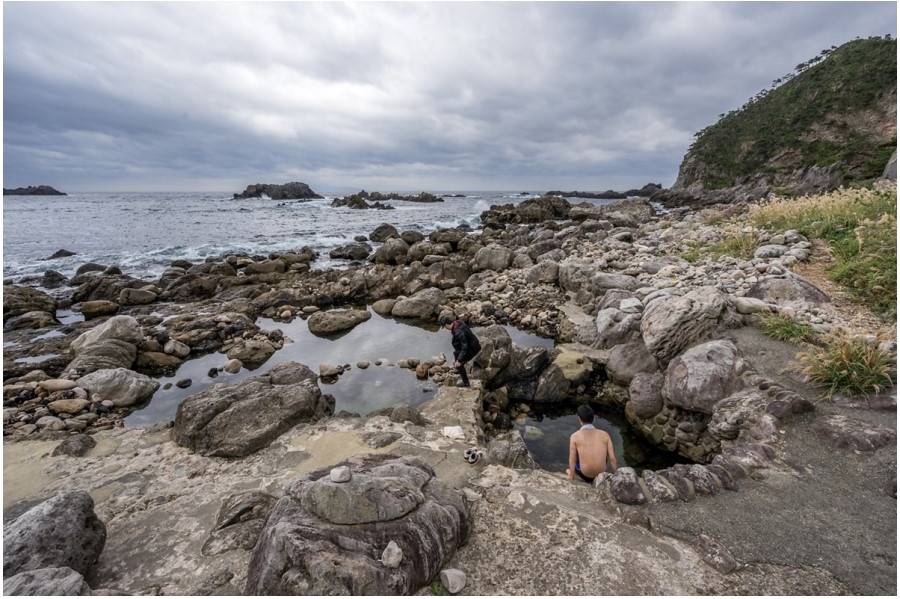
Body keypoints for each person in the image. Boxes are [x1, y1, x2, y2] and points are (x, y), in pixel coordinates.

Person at [567, 404, 618, 484]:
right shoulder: (605, 434)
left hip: (585, 475)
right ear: (594, 418)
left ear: (579, 419)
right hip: (601, 473)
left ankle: (570, 473)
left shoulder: (574, 436)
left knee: (575, 456)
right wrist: (616, 475)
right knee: (604, 452)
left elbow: (572, 459)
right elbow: (612, 459)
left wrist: (571, 477)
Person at [439, 314, 481, 387]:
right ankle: (458, 367)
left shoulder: (459, 332)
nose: (445, 328)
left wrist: (459, 360)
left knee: (459, 364)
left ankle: (466, 383)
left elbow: (465, 347)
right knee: (456, 354)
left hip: (472, 348)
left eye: (444, 326)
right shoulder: (458, 322)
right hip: (473, 343)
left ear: (446, 324)